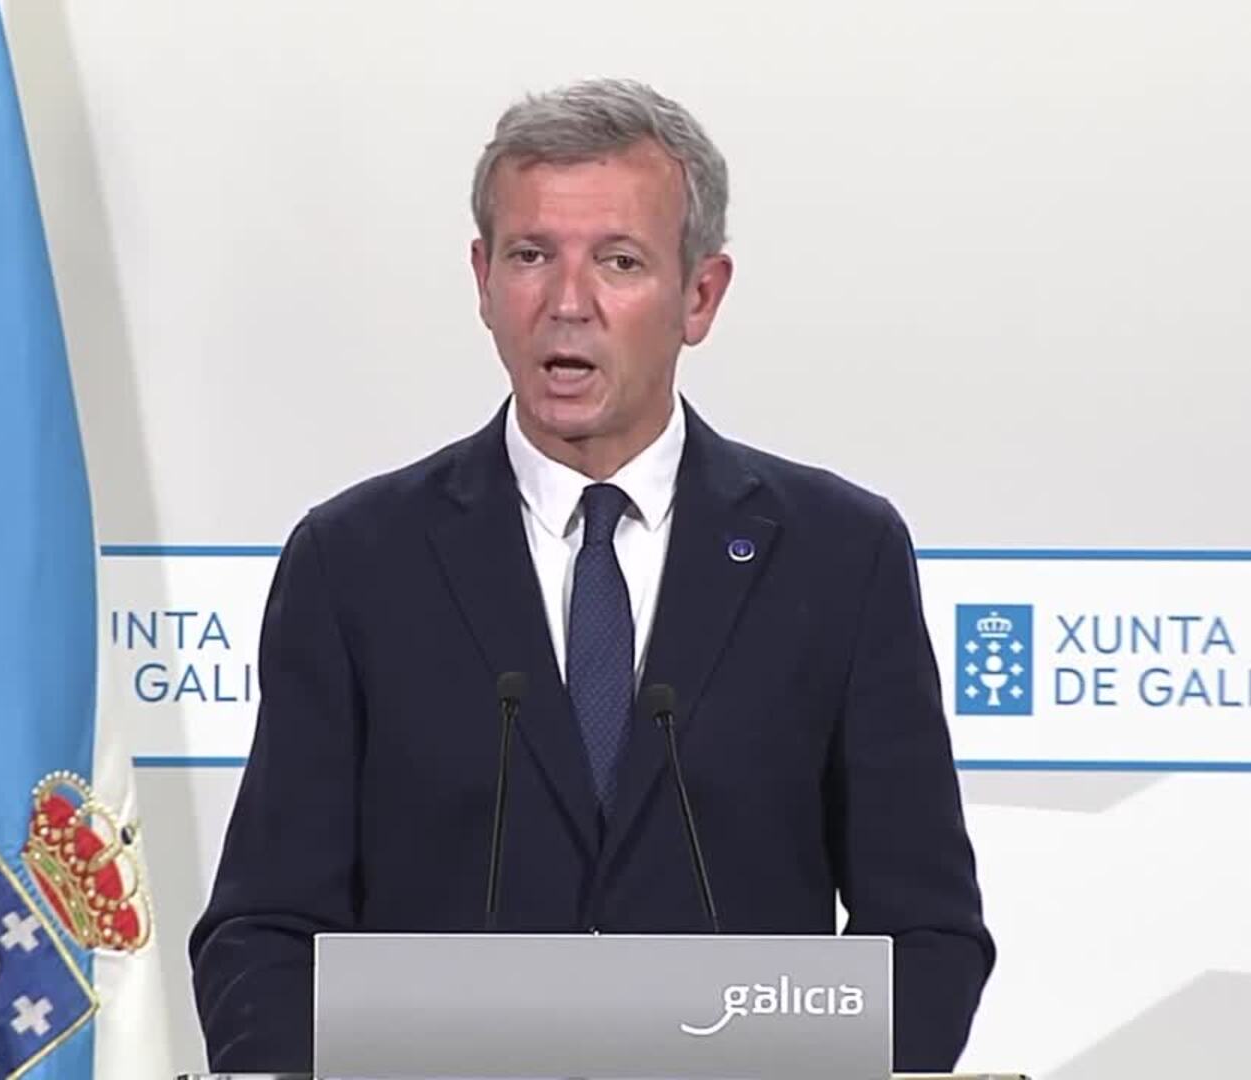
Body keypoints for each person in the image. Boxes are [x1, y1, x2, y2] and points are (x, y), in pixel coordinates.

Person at [190, 77, 993, 1072]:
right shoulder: (355, 561)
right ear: (483, 280)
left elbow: (927, 937)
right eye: (531, 256)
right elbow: (264, 935)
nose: (567, 304)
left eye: (619, 261)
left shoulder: (838, 556)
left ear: (700, 295)